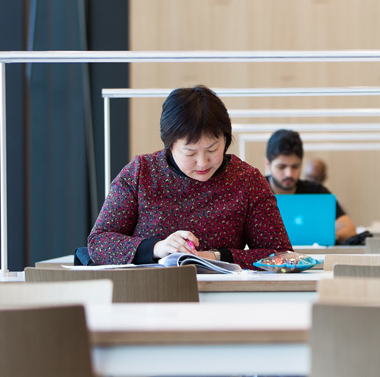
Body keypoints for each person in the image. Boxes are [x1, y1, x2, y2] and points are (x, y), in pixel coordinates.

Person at [87, 85, 292, 269]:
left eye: (212, 149)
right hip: (148, 295)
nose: (202, 162)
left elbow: (281, 254)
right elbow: (99, 242)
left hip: (224, 297)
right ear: (170, 145)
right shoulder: (141, 173)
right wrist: (158, 248)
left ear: (226, 140)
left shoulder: (247, 180)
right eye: (190, 153)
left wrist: (217, 256)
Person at [265, 129, 357, 243]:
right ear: (268, 164)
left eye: (295, 166)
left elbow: (349, 229)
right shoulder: (256, 191)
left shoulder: (316, 192)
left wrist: (324, 237)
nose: (289, 174)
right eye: (281, 167)